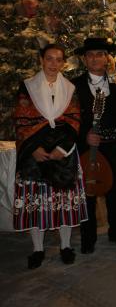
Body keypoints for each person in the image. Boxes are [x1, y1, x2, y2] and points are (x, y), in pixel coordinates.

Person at [13, 44, 87, 269]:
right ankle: (37, 249)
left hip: (63, 155)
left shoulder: (70, 88)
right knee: (38, 204)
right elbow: (21, 120)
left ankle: (65, 246)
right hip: (35, 156)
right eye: (49, 59)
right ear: (41, 60)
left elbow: (74, 121)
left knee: (63, 203)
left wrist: (62, 149)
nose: (53, 64)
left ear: (63, 63)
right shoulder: (27, 87)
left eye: (58, 59)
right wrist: (34, 149)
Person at [72, 38, 116, 254]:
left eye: (100, 54)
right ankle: (88, 237)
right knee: (88, 193)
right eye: (90, 55)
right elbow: (69, 118)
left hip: (113, 146)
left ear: (106, 58)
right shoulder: (73, 86)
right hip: (87, 147)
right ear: (85, 60)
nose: (95, 58)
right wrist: (84, 136)